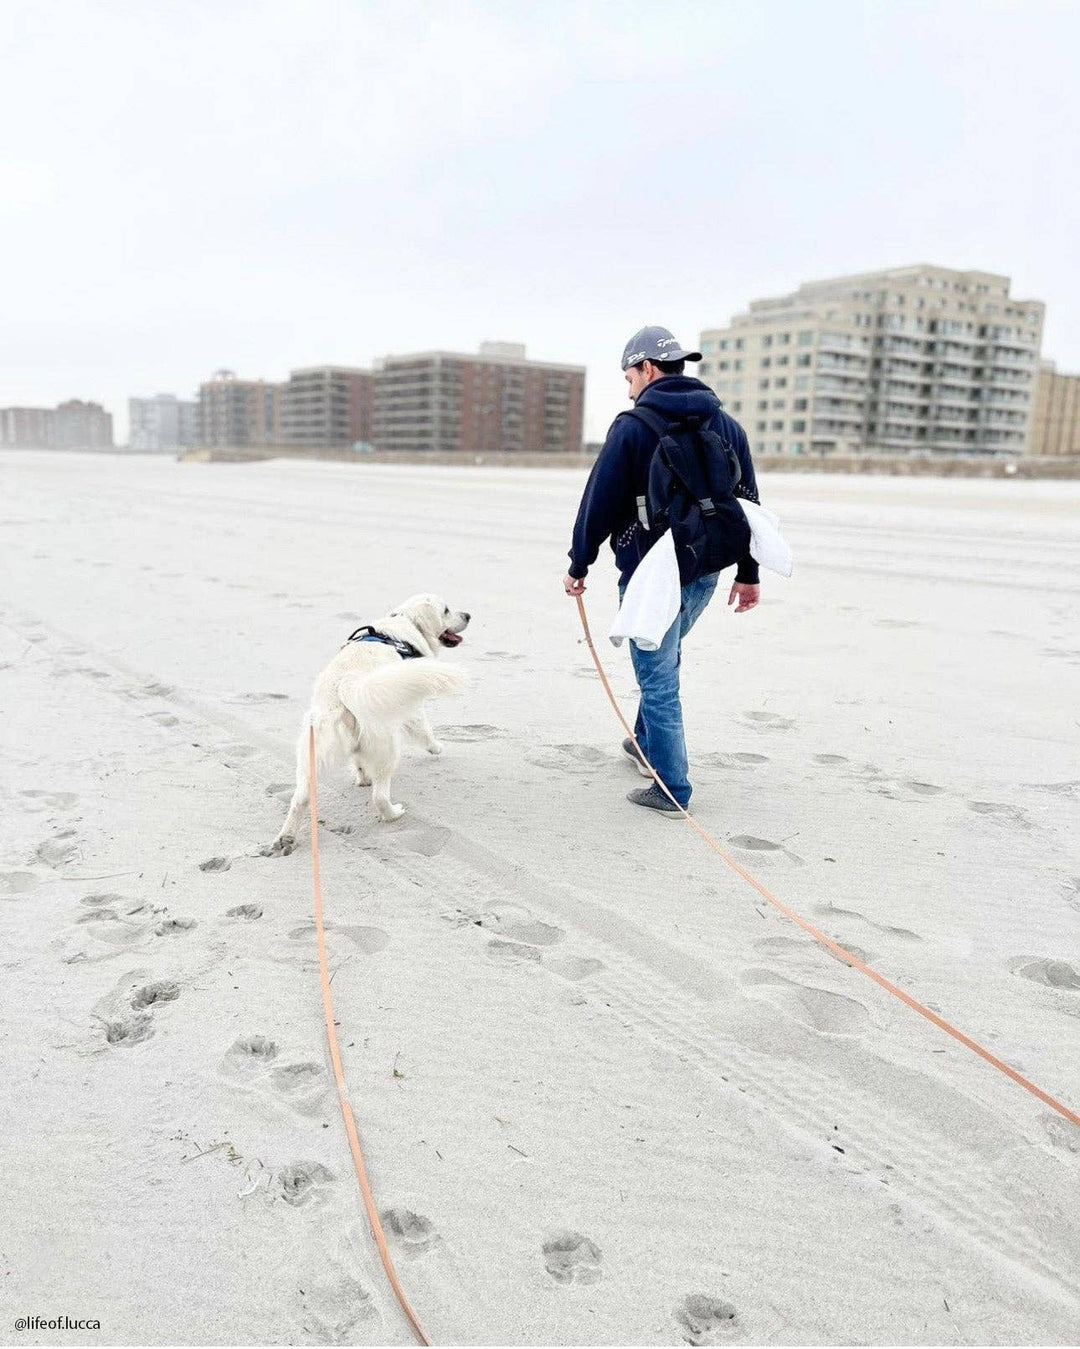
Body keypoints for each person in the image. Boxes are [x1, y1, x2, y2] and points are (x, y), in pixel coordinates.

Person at [563, 325, 761, 814]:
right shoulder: (726, 424)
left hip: (651, 574)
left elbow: (600, 500)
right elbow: (749, 502)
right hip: (705, 569)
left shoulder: (632, 426)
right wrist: (748, 572)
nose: (628, 386)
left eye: (629, 375)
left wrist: (579, 562)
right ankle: (643, 744)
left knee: (658, 679)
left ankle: (671, 788)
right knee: (664, 659)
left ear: (647, 369)